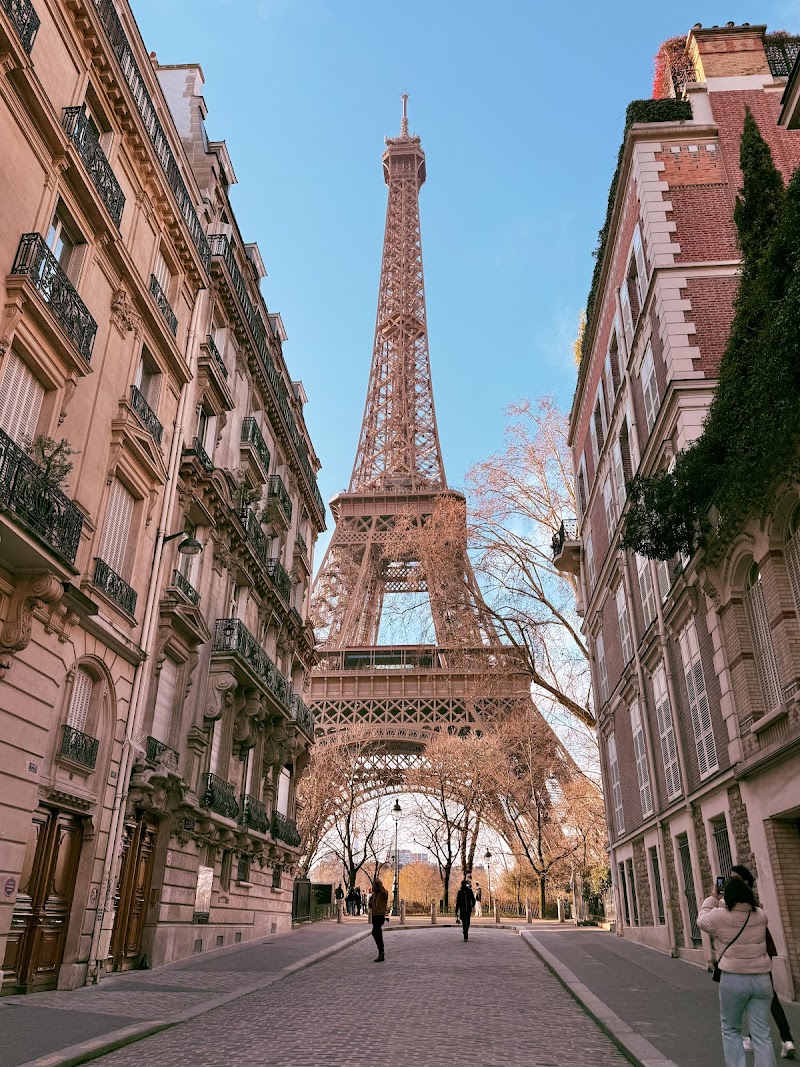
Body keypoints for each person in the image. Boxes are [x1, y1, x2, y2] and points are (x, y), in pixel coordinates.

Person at [698, 876, 777, 1067]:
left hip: (734, 979)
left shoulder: (720, 916)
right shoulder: (760, 915)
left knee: (731, 1029)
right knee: (761, 1034)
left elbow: (702, 921)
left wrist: (712, 898)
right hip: (761, 980)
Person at [728, 865, 795, 1060]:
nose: (730, 881)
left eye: (734, 878)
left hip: (749, 957)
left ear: (744, 881)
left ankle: (753, 1039)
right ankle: (787, 1039)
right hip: (763, 953)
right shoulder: (756, 905)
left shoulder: (741, 905)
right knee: (768, 997)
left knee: (754, 997)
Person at [369, 875, 389, 962]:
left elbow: (384, 893)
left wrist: (379, 883)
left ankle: (381, 952)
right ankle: (381, 952)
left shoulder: (383, 893)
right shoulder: (375, 895)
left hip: (380, 915)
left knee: (376, 932)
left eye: (375, 886)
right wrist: (370, 902)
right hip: (374, 915)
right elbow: (371, 905)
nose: (374, 888)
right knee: (375, 933)